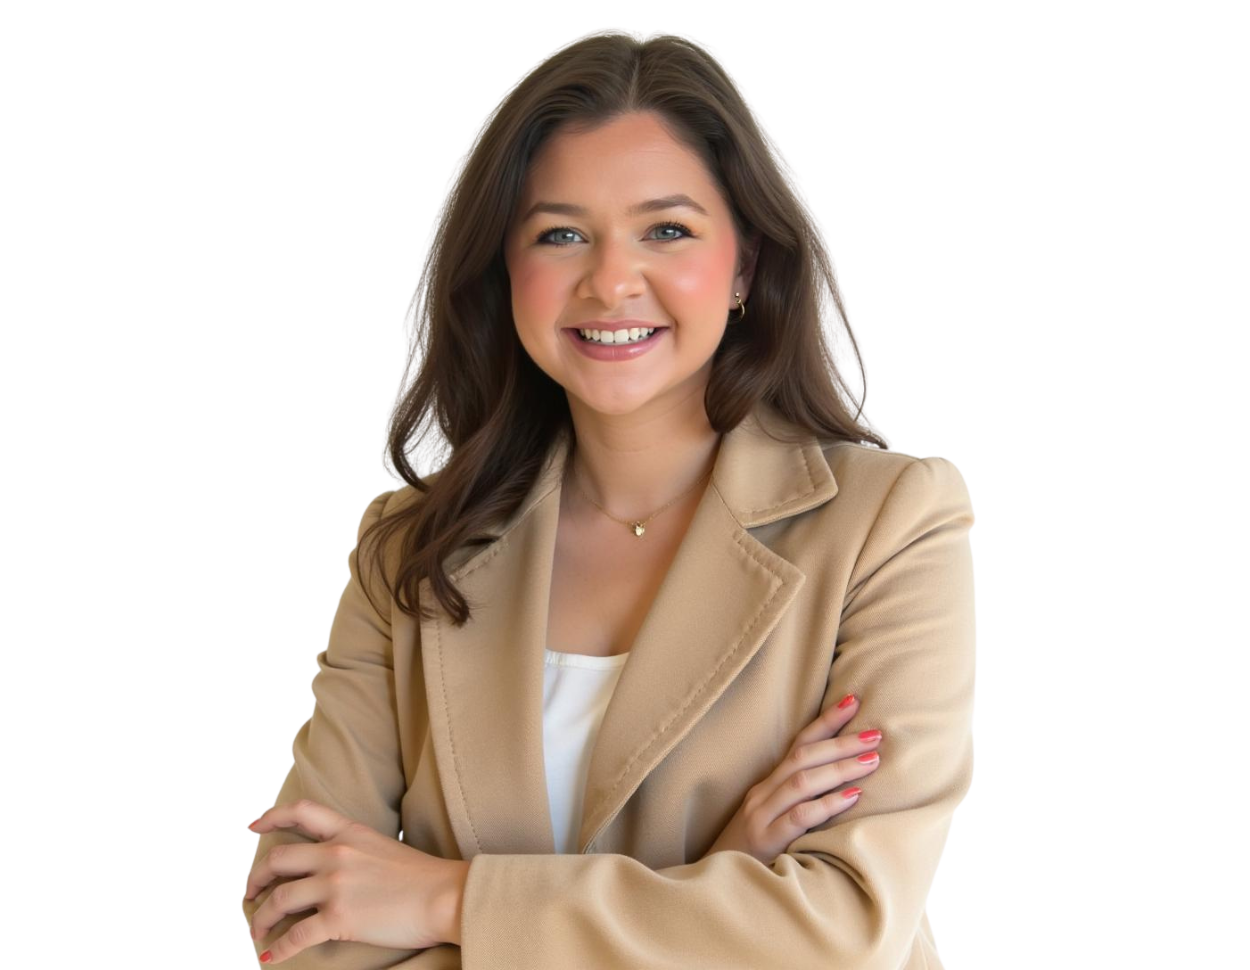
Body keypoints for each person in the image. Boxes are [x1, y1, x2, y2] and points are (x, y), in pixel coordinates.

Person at [241, 27, 976, 969]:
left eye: (666, 229)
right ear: (507, 271)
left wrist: (445, 897)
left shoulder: (890, 525)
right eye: (560, 234)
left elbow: (844, 927)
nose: (611, 281)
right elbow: (300, 926)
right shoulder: (406, 549)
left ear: (746, 263)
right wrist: (718, 883)